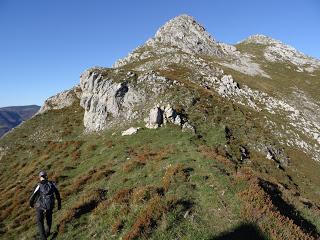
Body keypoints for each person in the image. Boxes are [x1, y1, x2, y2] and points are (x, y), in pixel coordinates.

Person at [29, 171, 61, 240]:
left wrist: (31, 204)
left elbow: (32, 196)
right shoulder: (52, 183)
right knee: (49, 217)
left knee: (39, 221)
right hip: (50, 205)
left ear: (40, 177)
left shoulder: (39, 185)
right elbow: (57, 194)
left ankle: (43, 238)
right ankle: (48, 231)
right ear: (46, 176)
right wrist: (59, 204)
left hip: (41, 206)